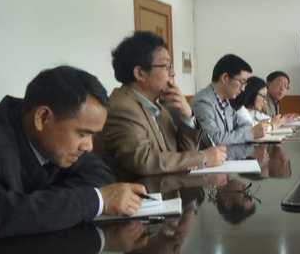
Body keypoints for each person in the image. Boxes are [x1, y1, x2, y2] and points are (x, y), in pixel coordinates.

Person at [0, 66, 147, 239]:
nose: (89, 146)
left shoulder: (58, 142)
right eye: (82, 134)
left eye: (93, 135)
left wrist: (46, 206)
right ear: (43, 117)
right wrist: (95, 200)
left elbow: (101, 176)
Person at [97, 31, 226, 177]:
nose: (173, 73)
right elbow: (144, 161)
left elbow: (183, 155)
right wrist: (203, 157)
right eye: (167, 66)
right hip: (140, 189)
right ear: (140, 73)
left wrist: (187, 117)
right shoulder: (122, 107)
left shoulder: (160, 107)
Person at [192, 55, 266, 145]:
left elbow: (245, 125)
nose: (243, 89)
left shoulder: (226, 102)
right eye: (242, 82)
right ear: (225, 78)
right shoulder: (203, 102)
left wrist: (239, 134)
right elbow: (214, 140)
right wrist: (250, 134)